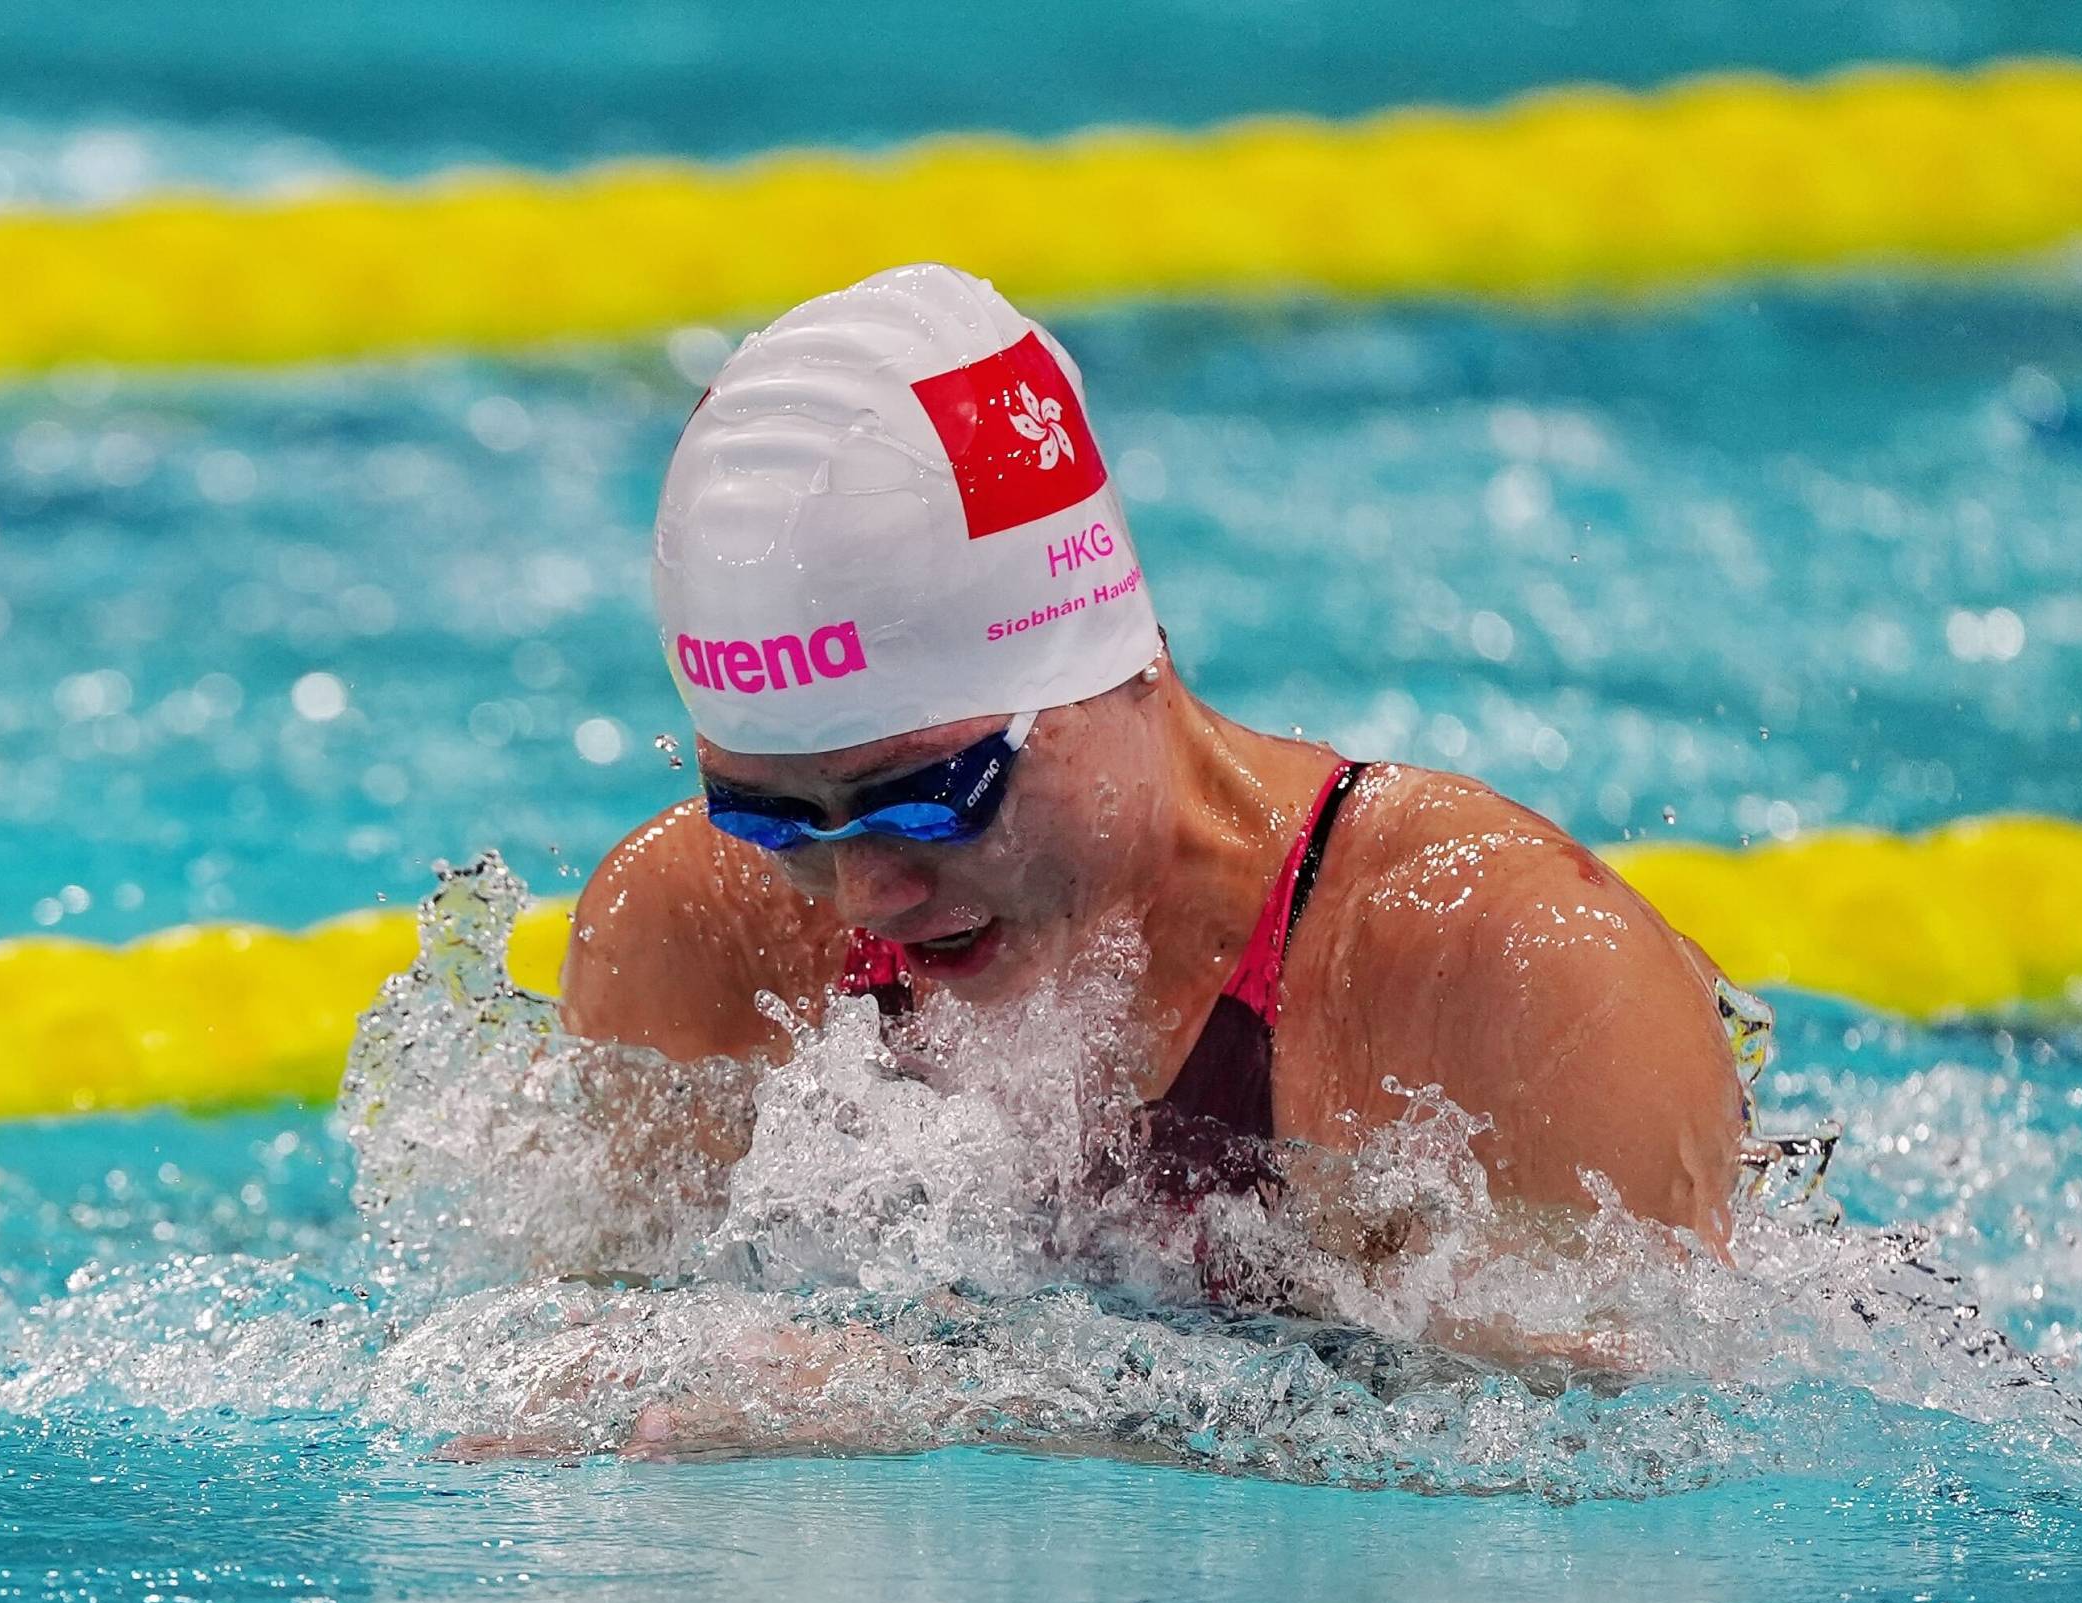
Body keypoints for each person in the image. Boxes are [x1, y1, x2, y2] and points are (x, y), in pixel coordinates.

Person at [558, 263, 1755, 1273]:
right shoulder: (699, 932)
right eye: (775, 818)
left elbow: (1626, 1497)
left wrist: (957, 1401)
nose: (866, 892)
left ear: (1113, 660)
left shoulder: (1504, 981)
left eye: (933, 796)